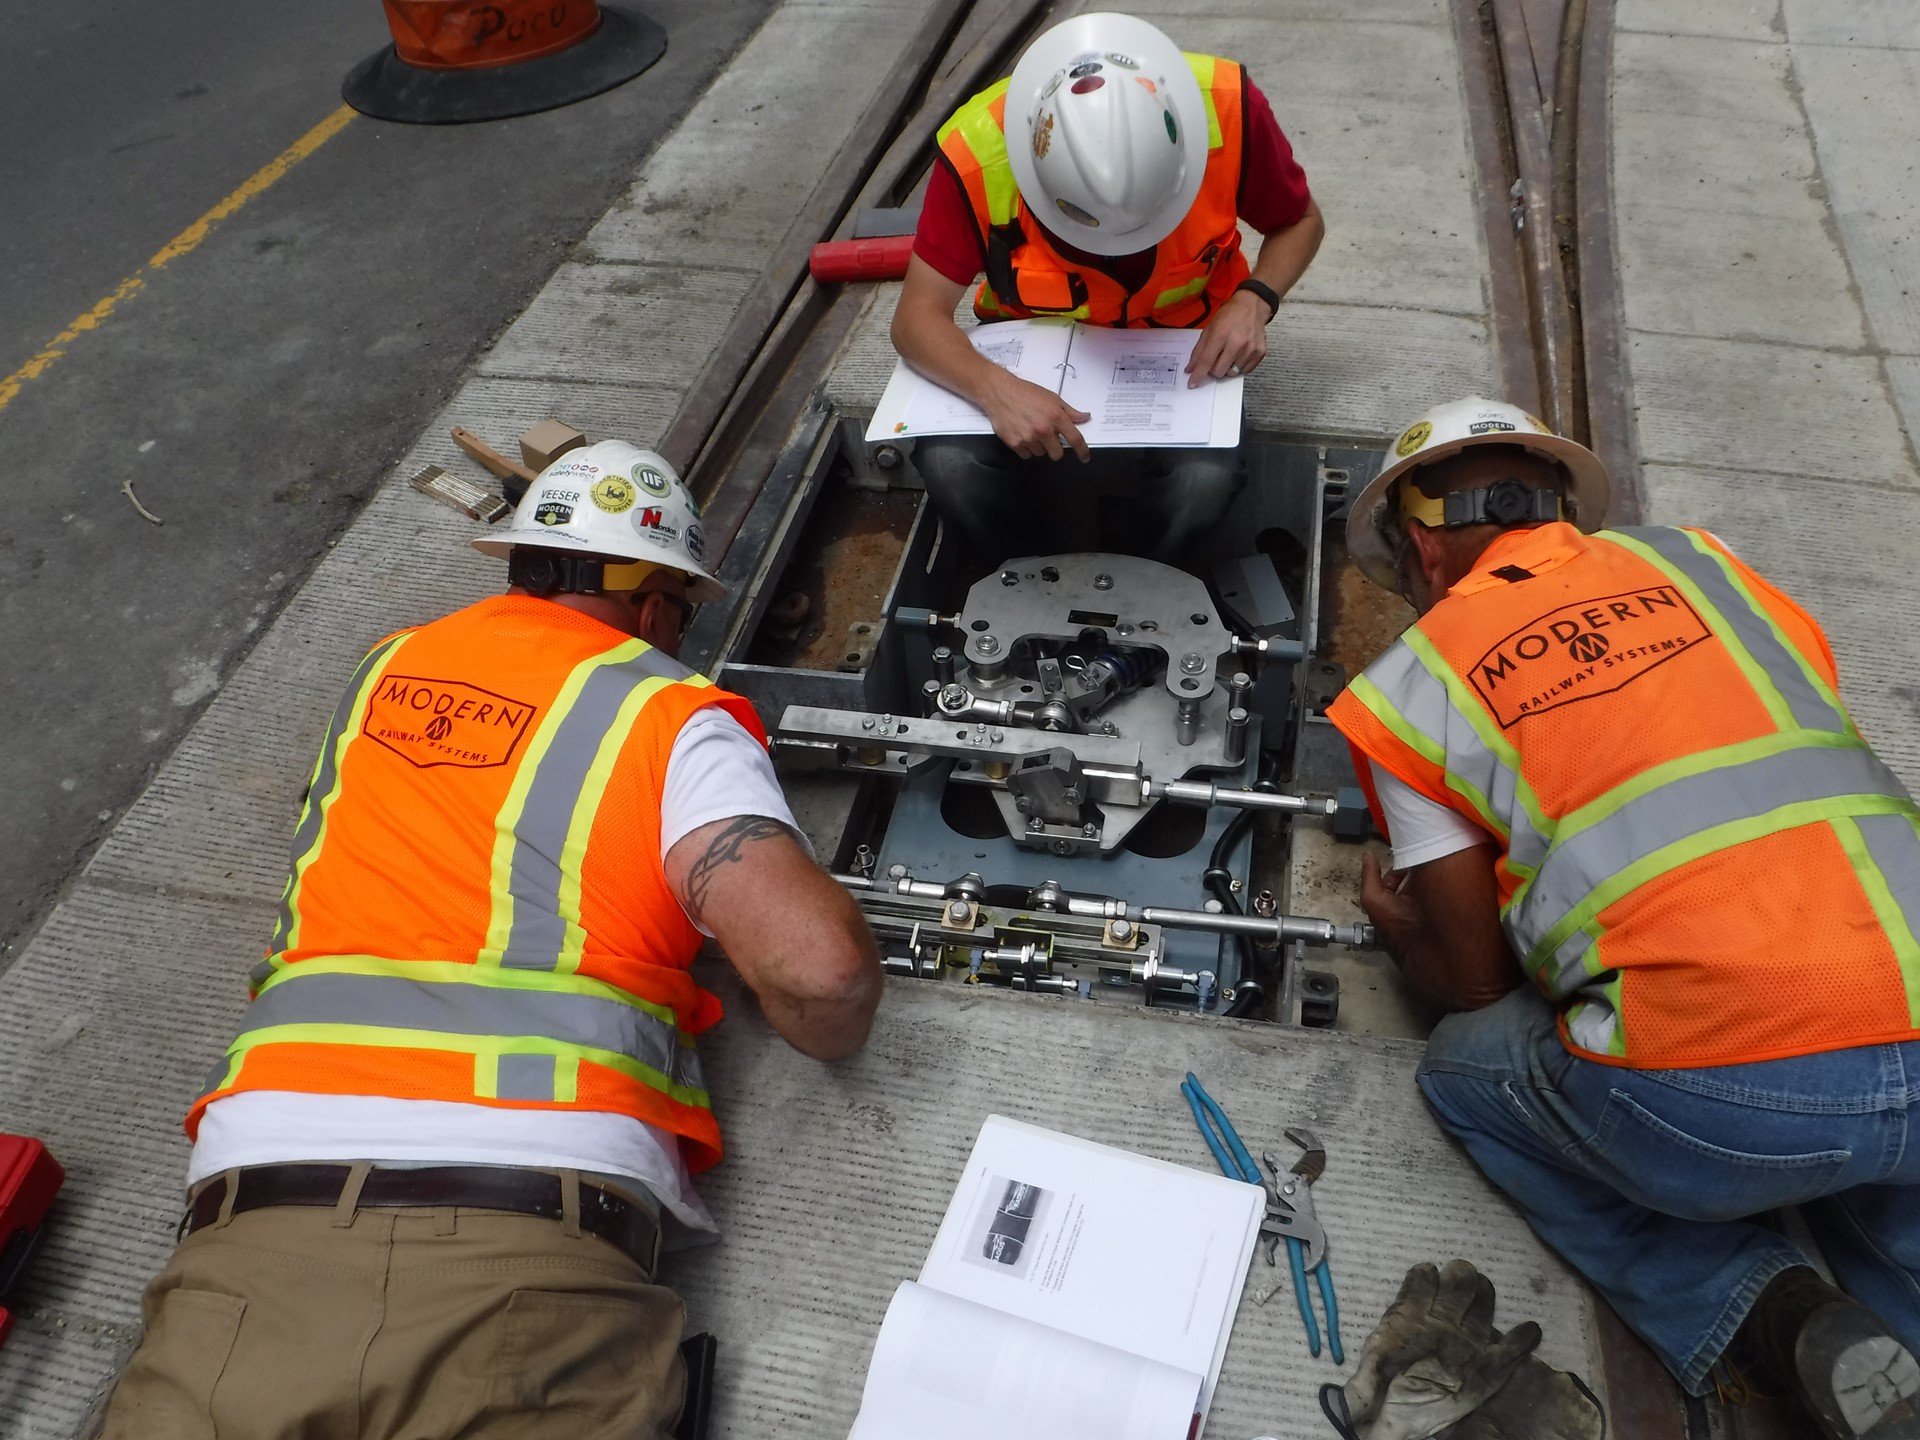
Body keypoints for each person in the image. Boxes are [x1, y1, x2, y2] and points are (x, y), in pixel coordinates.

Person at [98, 441, 883, 1439]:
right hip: (523, 1244)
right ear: (654, 609)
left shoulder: (385, 668)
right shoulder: (668, 713)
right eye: (683, 614)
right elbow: (822, 977)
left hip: (251, 1225)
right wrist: (836, 1036)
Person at [1326, 397, 1920, 1438]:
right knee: (1889, 1164)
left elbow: (1474, 983)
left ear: (1421, 546)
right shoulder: (1711, 568)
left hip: (1719, 1108)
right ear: (1563, 508)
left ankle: (1768, 1309)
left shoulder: (1415, 683)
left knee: (1465, 1066)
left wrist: (1403, 924)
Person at [892, 11, 1324, 561]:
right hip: (1027, 366)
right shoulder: (978, 150)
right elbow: (915, 319)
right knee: (953, 468)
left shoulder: (1228, 108)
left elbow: (1300, 220)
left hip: (1185, 355)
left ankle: (1151, 580)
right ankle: (1023, 574)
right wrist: (994, 389)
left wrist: (1255, 298)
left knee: (1203, 484)